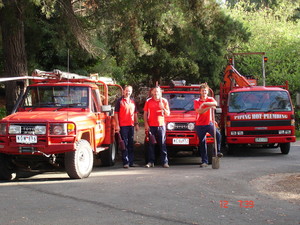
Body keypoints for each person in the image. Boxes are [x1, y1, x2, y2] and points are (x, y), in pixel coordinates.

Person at [194, 83, 222, 168]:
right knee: (202, 143)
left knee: (217, 135)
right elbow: (199, 111)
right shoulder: (196, 101)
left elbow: (215, 103)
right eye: (202, 91)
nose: (204, 92)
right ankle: (204, 161)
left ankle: (217, 152)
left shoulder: (210, 99)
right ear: (200, 92)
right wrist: (208, 107)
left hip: (209, 123)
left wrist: (205, 104)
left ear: (207, 91)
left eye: (205, 90)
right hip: (199, 124)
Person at [143, 86, 170, 168]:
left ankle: (164, 162)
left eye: (157, 91)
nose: (156, 93)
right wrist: (146, 124)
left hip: (161, 126)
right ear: (152, 92)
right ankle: (151, 162)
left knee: (162, 144)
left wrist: (163, 108)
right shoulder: (148, 101)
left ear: (160, 92)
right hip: (151, 126)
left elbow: (168, 114)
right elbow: (145, 114)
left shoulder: (164, 101)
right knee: (151, 144)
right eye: (154, 91)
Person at [115, 85, 139, 168]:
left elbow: (135, 114)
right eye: (126, 90)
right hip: (123, 126)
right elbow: (116, 114)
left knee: (131, 144)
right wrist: (117, 125)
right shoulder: (119, 101)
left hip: (131, 125)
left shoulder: (132, 101)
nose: (127, 92)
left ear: (131, 92)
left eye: (129, 91)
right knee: (124, 144)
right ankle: (125, 162)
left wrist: (136, 124)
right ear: (123, 91)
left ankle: (131, 162)